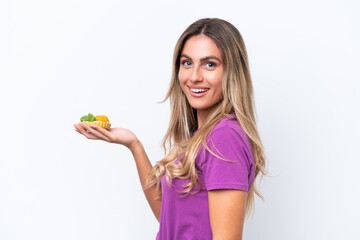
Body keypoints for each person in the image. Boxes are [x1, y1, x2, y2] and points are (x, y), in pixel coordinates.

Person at [73, 18, 266, 240]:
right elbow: (168, 217)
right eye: (187, 63)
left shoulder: (224, 138)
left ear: (232, 72)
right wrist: (134, 144)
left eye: (209, 64)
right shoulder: (203, 136)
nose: (194, 77)